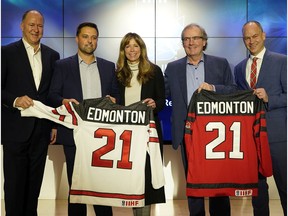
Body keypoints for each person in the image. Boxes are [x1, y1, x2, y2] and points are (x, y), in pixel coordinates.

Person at [164, 23, 237, 216]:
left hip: (216, 134)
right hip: (188, 133)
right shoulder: (172, 68)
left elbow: (233, 90)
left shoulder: (220, 63)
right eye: (186, 39)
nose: (191, 43)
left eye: (195, 38)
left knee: (218, 181)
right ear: (183, 43)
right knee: (193, 182)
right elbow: (162, 94)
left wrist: (213, 88)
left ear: (204, 42)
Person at [47, 22, 119, 216]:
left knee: (102, 187)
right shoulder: (62, 65)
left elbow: (116, 95)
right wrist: (65, 101)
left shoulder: (108, 66)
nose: (90, 41)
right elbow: (52, 95)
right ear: (77, 39)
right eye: (86, 37)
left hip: (102, 137)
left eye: (94, 37)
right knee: (77, 186)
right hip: (73, 133)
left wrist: (113, 100)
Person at [1, 9, 60, 216]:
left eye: (40, 26)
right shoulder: (5, 53)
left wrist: (53, 124)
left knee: (34, 186)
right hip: (15, 130)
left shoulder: (53, 56)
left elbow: (53, 94)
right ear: (22, 26)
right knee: (15, 185)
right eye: (32, 25)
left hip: (41, 131)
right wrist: (15, 100)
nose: (36, 29)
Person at [234, 20, 287, 216]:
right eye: (247, 38)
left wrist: (269, 98)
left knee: (285, 188)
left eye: (255, 36)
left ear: (263, 36)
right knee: (258, 191)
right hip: (252, 138)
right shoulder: (239, 68)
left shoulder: (282, 61)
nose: (251, 41)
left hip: (278, 137)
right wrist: (213, 88)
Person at [116, 32, 166, 216]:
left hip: (149, 132)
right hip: (126, 134)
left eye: (135, 45)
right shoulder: (118, 74)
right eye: (127, 46)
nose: (132, 50)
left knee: (147, 176)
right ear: (123, 50)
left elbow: (162, 100)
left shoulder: (154, 71)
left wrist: (155, 103)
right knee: (132, 178)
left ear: (141, 48)